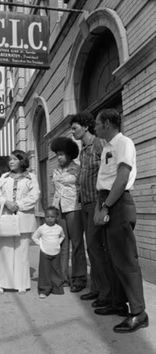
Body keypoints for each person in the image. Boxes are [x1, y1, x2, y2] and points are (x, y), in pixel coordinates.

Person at [94, 108, 148, 333]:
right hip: (106, 200)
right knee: (112, 258)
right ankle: (119, 304)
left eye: (97, 123)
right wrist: (100, 205)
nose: (94, 127)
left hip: (118, 202)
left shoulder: (123, 142)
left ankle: (139, 313)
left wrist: (106, 206)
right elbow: (104, 180)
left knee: (126, 260)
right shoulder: (107, 146)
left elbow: (122, 177)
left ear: (107, 123)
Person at [71, 112, 111, 307]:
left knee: (97, 248)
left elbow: (110, 173)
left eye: (75, 128)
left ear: (86, 126)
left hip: (98, 203)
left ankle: (106, 293)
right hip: (85, 204)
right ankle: (96, 289)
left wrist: (104, 205)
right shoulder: (82, 151)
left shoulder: (99, 144)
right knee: (92, 248)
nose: (72, 132)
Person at [0, 150, 40, 294]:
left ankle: (21, 284)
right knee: (5, 251)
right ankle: (4, 284)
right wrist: (6, 202)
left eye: (14, 159)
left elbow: (35, 196)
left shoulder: (31, 177)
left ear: (22, 161)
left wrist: (18, 205)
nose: (11, 162)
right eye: (10, 160)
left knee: (22, 252)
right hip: (6, 218)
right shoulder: (4, 177)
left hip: (23, 218)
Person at [51, 137, 87, 292]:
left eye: (61, 154)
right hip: (59, 210)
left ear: (69, 154)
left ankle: (79, 278)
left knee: (77, 244)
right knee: (62, 244)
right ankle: (63, 278)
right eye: (57, 154)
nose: (59, 157)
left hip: (74, 209)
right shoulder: (55, 170)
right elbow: (56, 192)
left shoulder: (78, 169)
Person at [32, 206, 65, 299]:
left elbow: (62, 236)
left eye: (52, 217)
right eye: (47, 216)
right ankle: (44, 290)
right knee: (44, 272)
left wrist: (58, 243)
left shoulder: (59, 228)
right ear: (44, 217)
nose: (50, 219)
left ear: (56, 217)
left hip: (56, 253)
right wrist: (41, 245)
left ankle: (57, 288)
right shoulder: (41, 228)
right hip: (44, 253)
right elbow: (34, 237)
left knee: (56, 271)